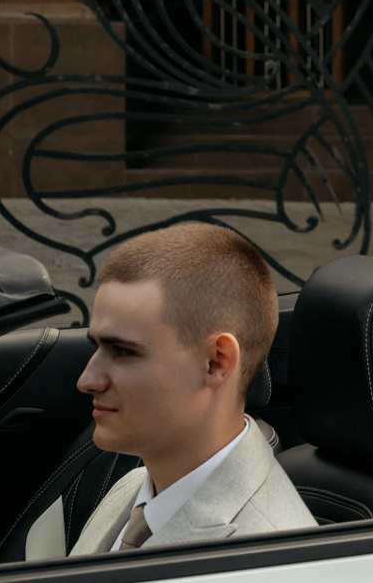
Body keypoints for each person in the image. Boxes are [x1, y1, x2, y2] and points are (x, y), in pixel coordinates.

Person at [62, 223, 313, 555]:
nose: (87, 380)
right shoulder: (134, 488)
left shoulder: (267, 561)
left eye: (122, 351)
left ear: (216, 362)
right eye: (96, 347)